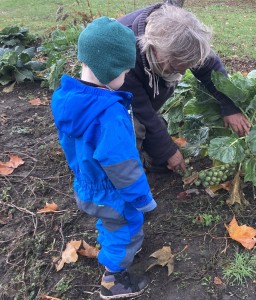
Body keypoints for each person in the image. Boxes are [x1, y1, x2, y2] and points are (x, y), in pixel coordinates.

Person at [51, 17, 156, 299]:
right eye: (124, 70)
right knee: (128, 225)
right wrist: (142, 198)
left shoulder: (66, 98)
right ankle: (114, 278)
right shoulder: (110, 114)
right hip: (111, 191)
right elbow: (122, 166)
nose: (125, 76)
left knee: (111, 223)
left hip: (87, 183)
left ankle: (117, 245)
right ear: (111, 70)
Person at [118, 3, 251, 174]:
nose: (182, 72)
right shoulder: (126, 53)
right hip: (115, 102)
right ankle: (123, 180)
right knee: (132, 128)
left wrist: (230, 107)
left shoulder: (186, 38)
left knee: (161, 164)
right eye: (175, 67)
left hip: (145, 100)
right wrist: (168, 150)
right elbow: (142, 111)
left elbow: (211, 68)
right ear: (156, 50)